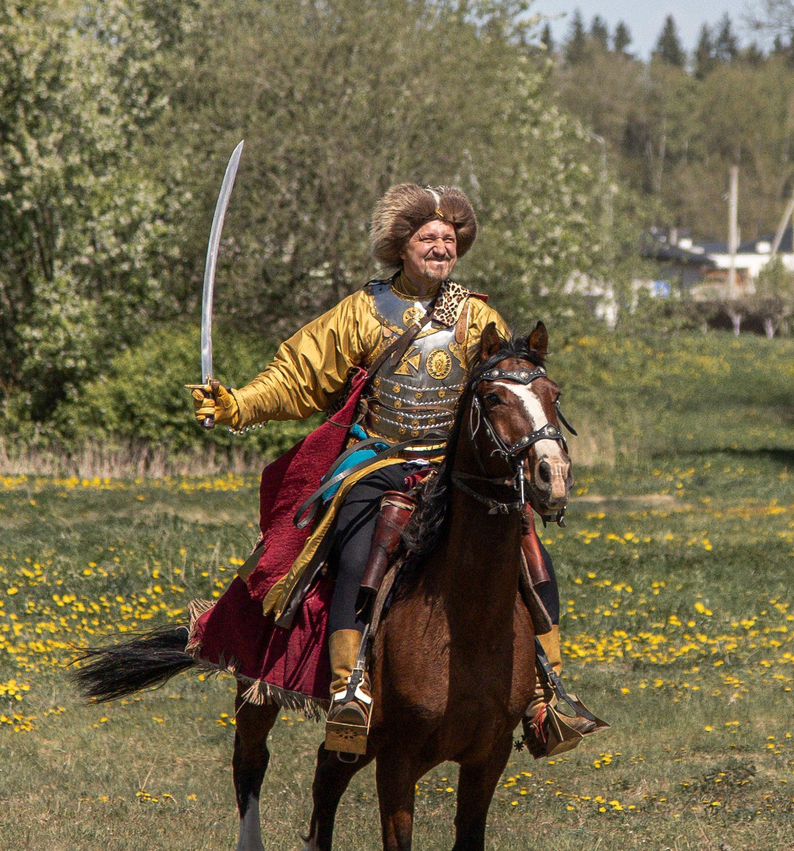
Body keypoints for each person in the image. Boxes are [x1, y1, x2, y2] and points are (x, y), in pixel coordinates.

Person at [192, 184, 598, 756]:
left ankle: (544, 695)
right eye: (427, 237)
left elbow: (506, 387)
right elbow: (296, 378)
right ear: (400, 247)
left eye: (449, 239)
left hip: (457, 471)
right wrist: (236, 404)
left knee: (532, 557)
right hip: (379, 462)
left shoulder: (477, 316)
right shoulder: (362, 311)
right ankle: (348, 690)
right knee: (362, 549)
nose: (440, 247)